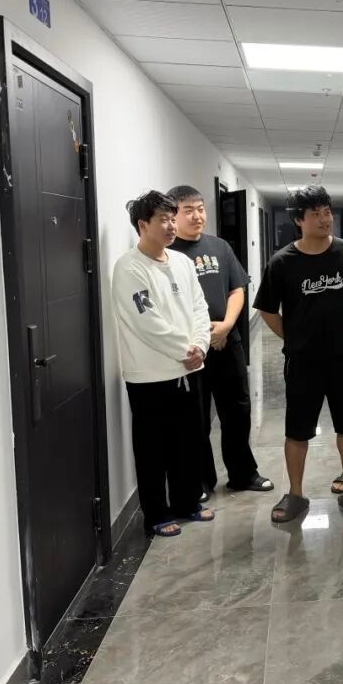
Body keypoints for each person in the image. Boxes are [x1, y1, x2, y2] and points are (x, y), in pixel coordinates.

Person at [253, 185, 343, 522]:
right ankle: (295, 494)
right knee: (297, 430)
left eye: (327, 212)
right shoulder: (282, 262)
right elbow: (267, 310)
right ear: (298, 220)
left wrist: (340, 323)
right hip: (302, 360)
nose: (324, 219)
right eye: (315, 214)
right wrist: (293, 336)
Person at [112, 190, 217, 538]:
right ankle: (156, 514)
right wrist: (187, 350)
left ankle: (188, 503)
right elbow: (146, 322)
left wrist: (200, 345)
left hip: (189, 368)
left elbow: (200, 307)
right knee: (152, 449)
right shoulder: (129, 268)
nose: (172, 225)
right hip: (150, 376)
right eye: (164, 219)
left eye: (173, 218)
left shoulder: (182, 263)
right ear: (143, 224)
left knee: (189, 441)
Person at [167, 185, 274, 498]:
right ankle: (201, 481)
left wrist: (226, 326)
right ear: (173, 215)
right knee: (196, 417)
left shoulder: (220, 246)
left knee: (237, 410)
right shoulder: (169, 254)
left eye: (200, 209)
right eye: (188, 210)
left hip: (228, 343)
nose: (197, 216)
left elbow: (237, 289)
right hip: (191, 350)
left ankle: (243, 473)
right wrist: (202, 338)